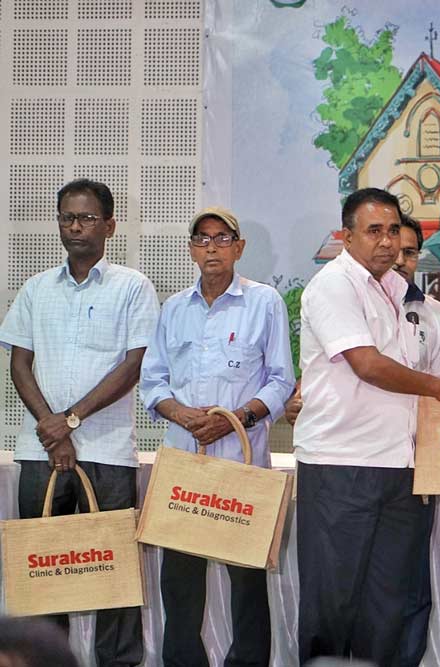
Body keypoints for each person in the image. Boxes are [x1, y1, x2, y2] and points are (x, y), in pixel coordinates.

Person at [293, 188, 440, 666]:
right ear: (347, 236)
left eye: (393, 230)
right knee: (332, 602)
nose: (386, 241)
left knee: (388, 605)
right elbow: (367, 364)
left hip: (402, 466)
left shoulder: (401, 293)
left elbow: (430, 373)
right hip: (342, 467)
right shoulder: (333, 284)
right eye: (373, 231)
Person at [0, 178, 158, 667]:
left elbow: (134, 366)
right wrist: (51, 427)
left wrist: (69, 421)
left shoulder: (132, 286)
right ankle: (43, 659)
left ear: (109, 225)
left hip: (107, 450)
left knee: (113, 574)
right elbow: (19, 364)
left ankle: (119, 663)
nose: (75, 226)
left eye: (87, 218)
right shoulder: (36, 288)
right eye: (67, 217)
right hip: (39, 450)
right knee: (43, 572)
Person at [140, 206, 295, 667]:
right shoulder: (173, 308)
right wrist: (182, 414)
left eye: (222, 238)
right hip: (184, 461)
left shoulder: (264, 302)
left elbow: (281, 381)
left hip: (241, 462)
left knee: (246, 581)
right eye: (203, 239)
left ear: (239, 247)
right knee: (180, 581)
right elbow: (153, 382)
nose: (212, 247)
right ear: (191, 249)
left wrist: (236, 418)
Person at [393, 214, 440, 667]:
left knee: (411, 581)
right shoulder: (348, 302)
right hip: (357, 463)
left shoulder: (435, 315)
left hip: (417, 465)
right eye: (391, 247)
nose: (400, 259)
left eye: (411, 252)